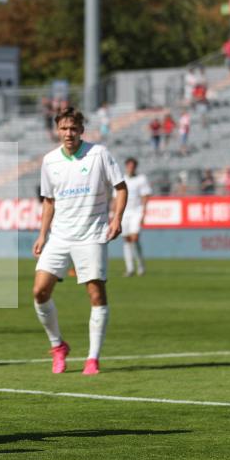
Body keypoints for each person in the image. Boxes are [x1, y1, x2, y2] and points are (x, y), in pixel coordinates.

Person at [32, 107, 127, 376]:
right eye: (63, 128)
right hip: (59, 236)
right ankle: (58, 345)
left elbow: (120, 188)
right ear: (57, 131)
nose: (68, 133)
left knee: (96, 294)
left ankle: (92, 358)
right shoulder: (50, 161)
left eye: (73, 128)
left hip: (92, 235)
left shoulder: (99, 154)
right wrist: (42, 235)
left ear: (81, 130)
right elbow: (49, 202)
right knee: (40, 292)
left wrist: (116, 218)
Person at [121, 158, 152, 277]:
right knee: (126, 239)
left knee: (135, 237)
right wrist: (113, 214)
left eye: (133, 166)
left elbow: (145, 195)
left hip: (136, 211)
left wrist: (144, 211)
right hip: (124, 212)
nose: (131, 168)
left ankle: (140, 266)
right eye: (129, 166)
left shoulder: (141, 179)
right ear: (126, 166)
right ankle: (130, 268)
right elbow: (116, 197)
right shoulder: (122, 179)